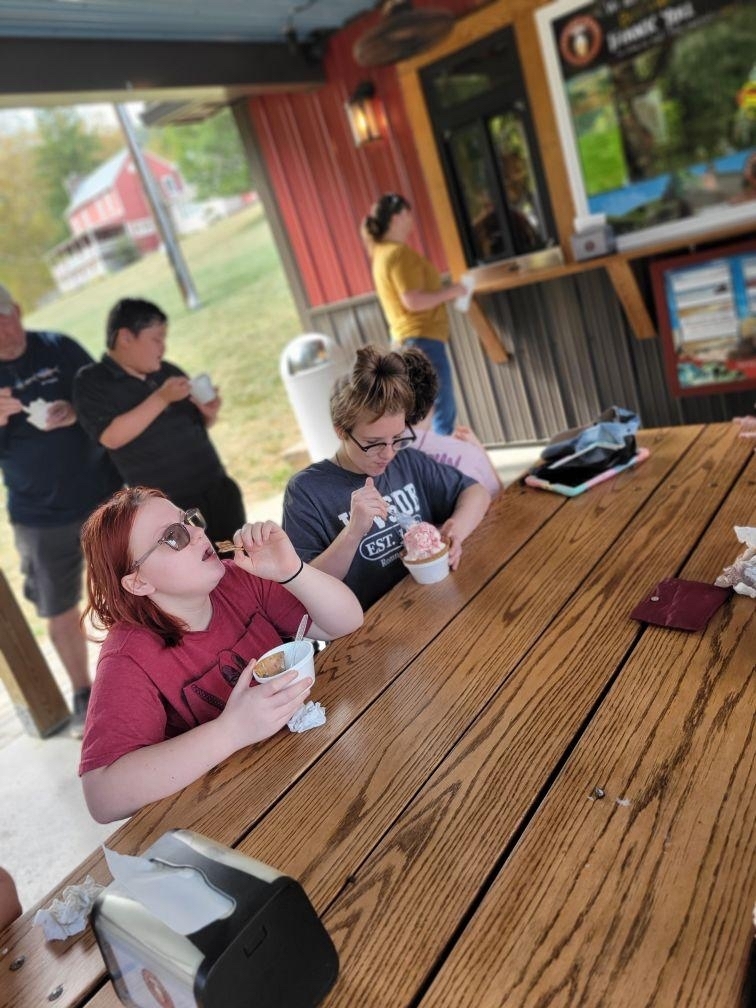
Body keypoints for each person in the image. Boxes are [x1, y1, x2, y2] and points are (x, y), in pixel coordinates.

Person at [78, 487, 363, 823]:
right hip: (230, 816)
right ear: (139, 583)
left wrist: (291, 571)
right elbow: (102, 797)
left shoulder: (236, 578)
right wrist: (231, 731)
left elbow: (344, 622)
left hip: (306, 769)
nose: (198, 533)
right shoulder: (129, 656)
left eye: (189, 520)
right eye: (173, 536)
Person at [282, 345, 491, 610]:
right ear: (341, 431)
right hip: (371, 630)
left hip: (436, 602)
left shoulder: (407, 462)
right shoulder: (308, 492)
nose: (389, 453)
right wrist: (353, 531)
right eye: (374, 443)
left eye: (397, 438)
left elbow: (476, 493)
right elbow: (307, 589)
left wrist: (455, 532)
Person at [0, 283, 121, 735]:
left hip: (101, 493)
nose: (1, 328)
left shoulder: (58, 347)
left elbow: (104, 397)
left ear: (18, 309)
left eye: (4, 315)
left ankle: (152, 668)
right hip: (38, 514)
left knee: (135, 581)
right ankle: (83, 694)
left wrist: (75, 410)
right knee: (58, 609)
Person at [73, 298, 245, 547]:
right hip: (171, 509)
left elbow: (199, 424)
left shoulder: (167, 371)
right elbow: (111, 436)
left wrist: (209, 412)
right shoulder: (92, 382)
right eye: (156, 339)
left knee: (239, 561)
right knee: (198, 573)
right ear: (125, 337)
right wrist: (162, 397)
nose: (162, 348)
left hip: (217, 489)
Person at [362, 193, 468, 435]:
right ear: (398, 216)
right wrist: (453, 291)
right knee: (441, 409)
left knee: (421, 413)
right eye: (409, 214)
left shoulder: (381, 253)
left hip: (407, 340)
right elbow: (412, 300)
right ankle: (438, 468)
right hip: (422, 340)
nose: (412, 220)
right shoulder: (399, 254)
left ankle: (427, 466)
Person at [400, 346, 502, 497]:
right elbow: (500, 496)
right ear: (433, 396)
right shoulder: (466, 451)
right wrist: (479, 449)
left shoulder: (376, 462)